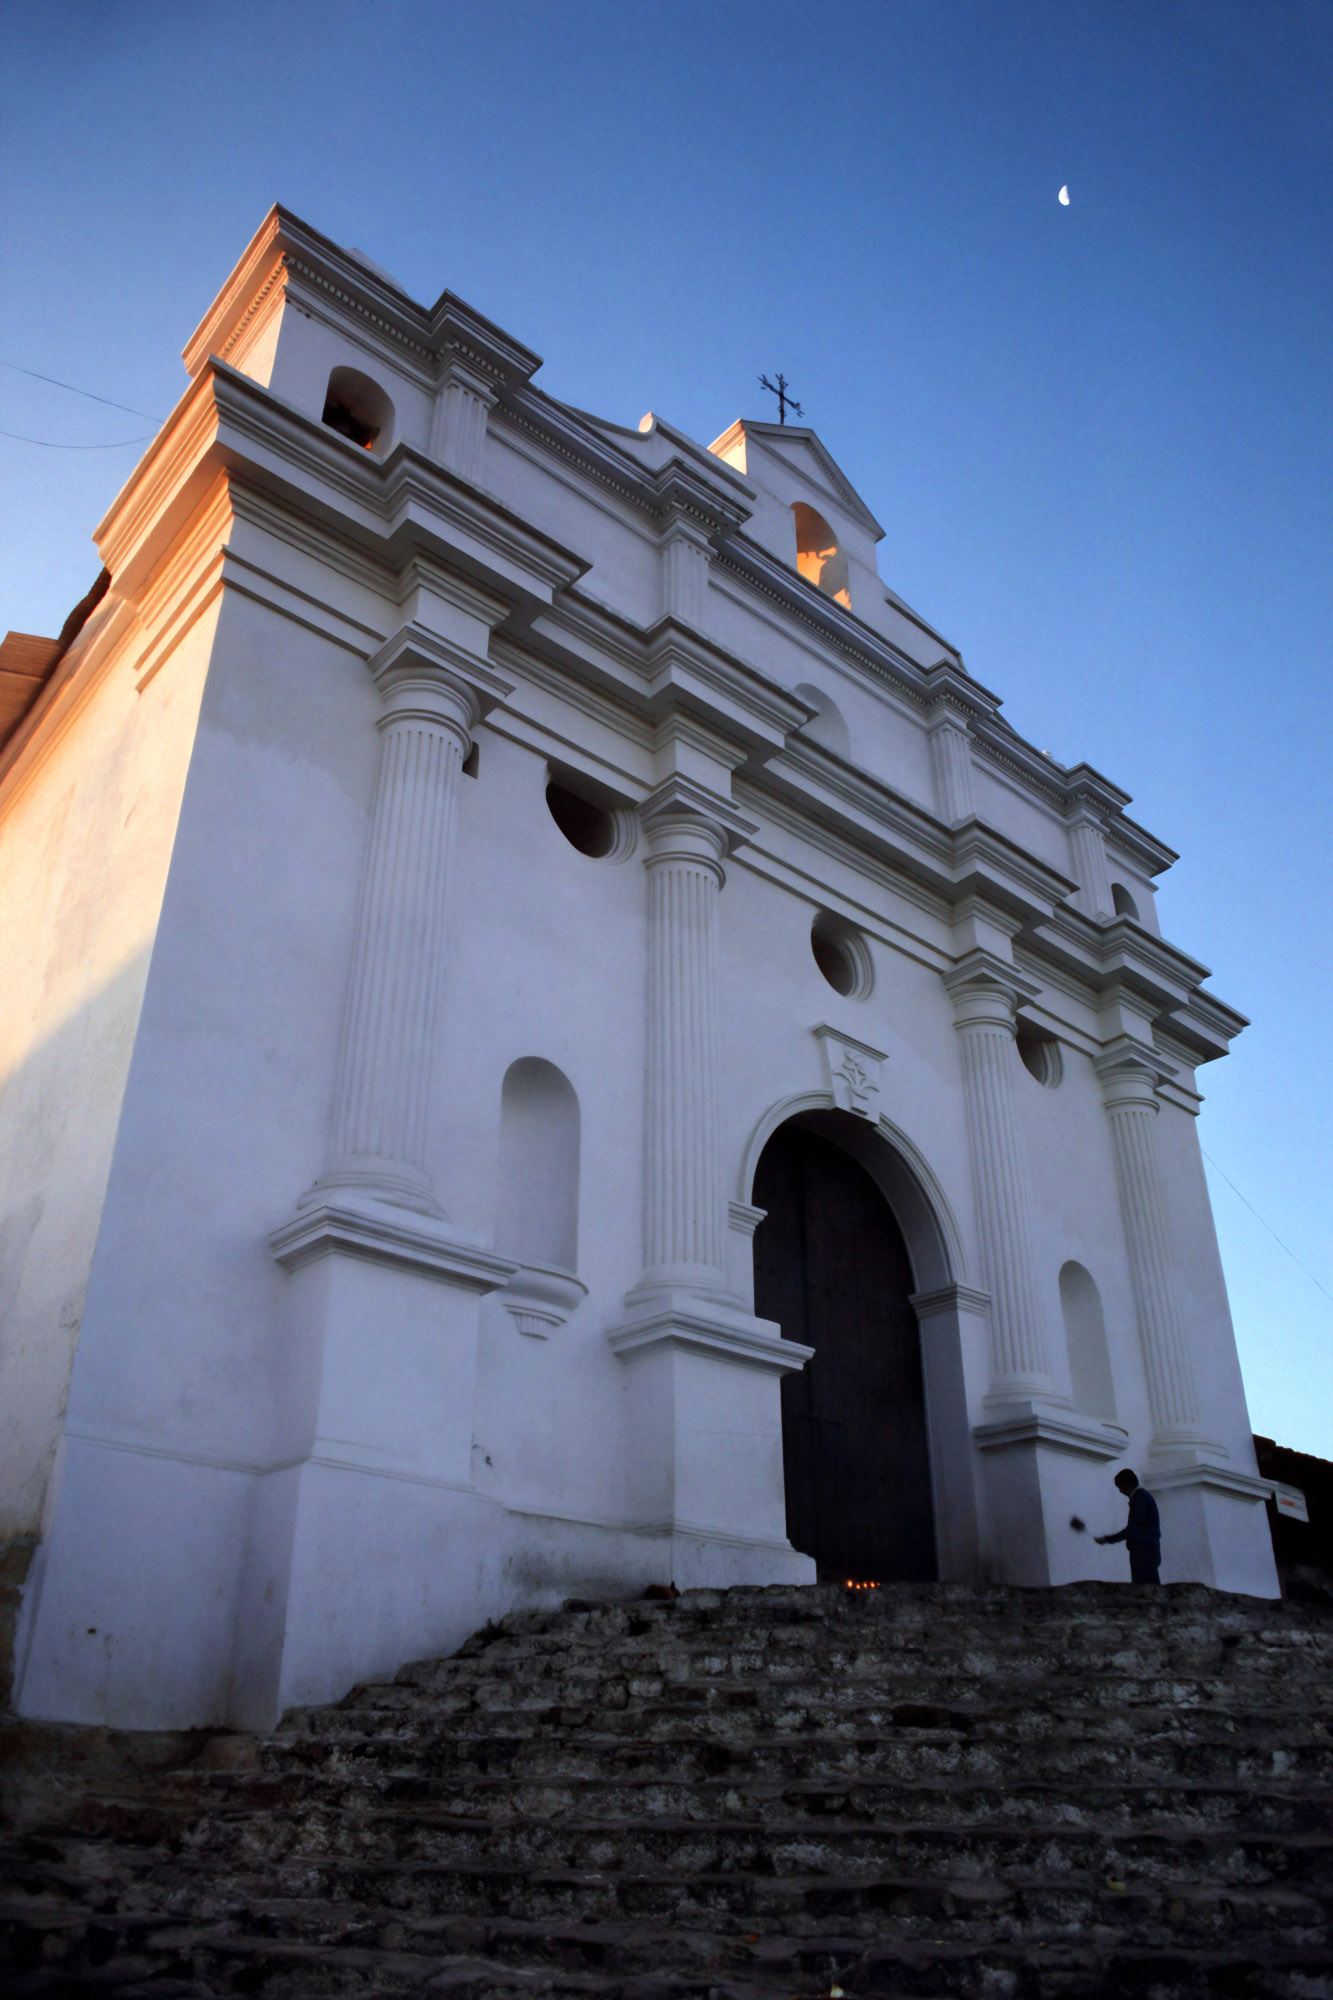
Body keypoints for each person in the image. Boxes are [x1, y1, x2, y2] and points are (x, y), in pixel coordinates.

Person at [1095, 1468, 1162, 1583]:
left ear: (1126, 1484)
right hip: (1150, 1549)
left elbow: (1133, 1528)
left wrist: (1108, 1539)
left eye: (1120, 1487)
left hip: (1143, 1550)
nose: (1120, 1491)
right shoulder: (1144, 1496)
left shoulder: (1139, 1498)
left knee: (1144, 1587)